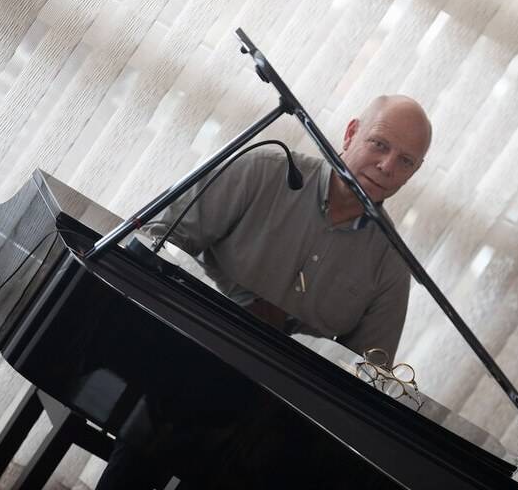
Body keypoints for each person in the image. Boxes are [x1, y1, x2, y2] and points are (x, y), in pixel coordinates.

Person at [96, 94, 432, 489]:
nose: (387, 166)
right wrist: (230, 306)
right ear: (351, 133)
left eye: (405, 161)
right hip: (184, 365)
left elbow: (367, 376)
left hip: (270, 424)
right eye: (379, 144)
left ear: (413, 173)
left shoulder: (392, 263)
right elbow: (157, 239)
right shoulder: (265, 170)